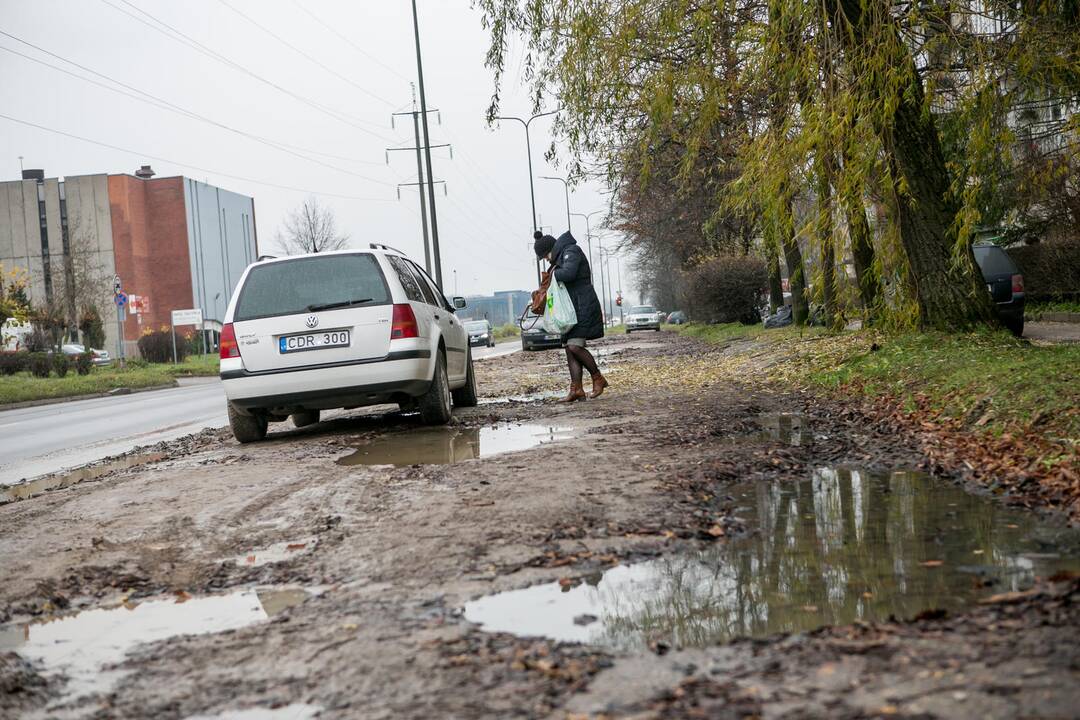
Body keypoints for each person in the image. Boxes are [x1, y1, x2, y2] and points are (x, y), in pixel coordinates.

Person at [533, 230, 608, 401]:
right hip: (570, 309)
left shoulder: (571, 251)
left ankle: (598, 378)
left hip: (583, 306)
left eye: (545, 256)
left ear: (551, 249)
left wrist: (551, 275)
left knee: (575, 347)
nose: (546, 259)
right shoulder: (561, 256)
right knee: (569, 349)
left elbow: (569, 273)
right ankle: (576, 389)